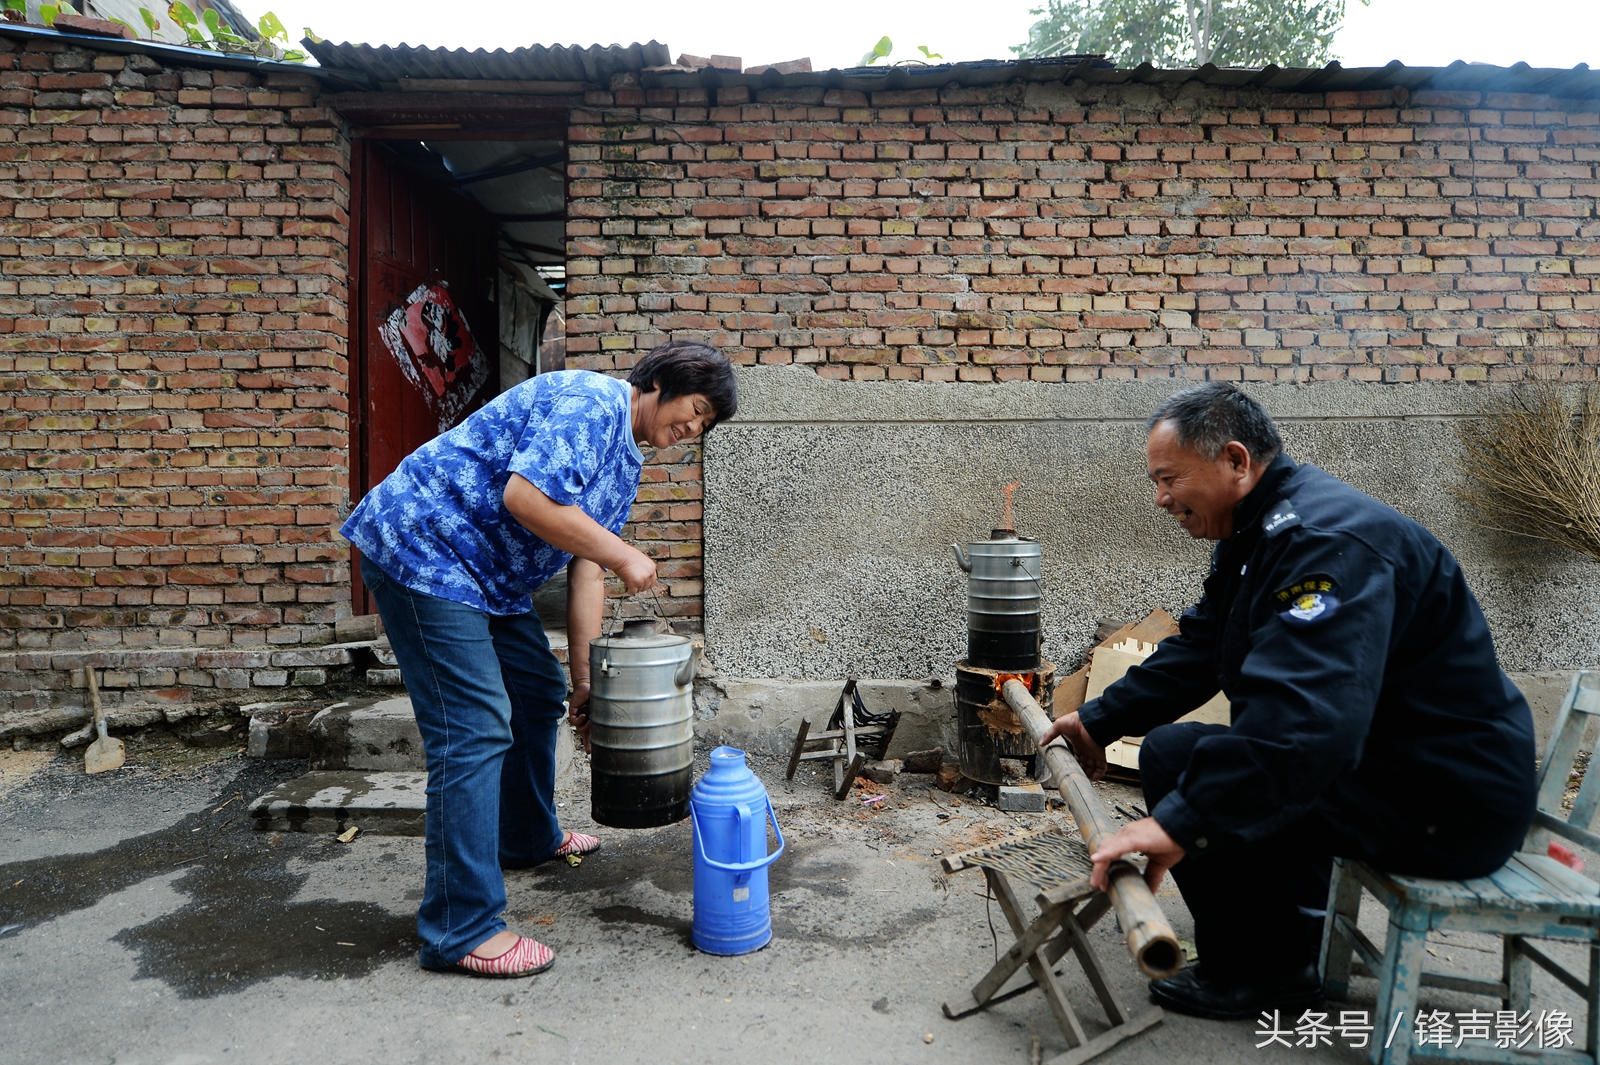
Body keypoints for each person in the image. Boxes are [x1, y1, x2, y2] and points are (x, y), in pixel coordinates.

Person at [1043, 382, 1537, 1020]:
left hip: (1443, 801)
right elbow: (1202, 646)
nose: (1161, 499)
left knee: (1219, 783)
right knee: (1171, 752)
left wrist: (1181, 821)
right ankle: (1279, 943)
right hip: (1378, 774)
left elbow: (1308, 722)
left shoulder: (1327, 544)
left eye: (1169, 480)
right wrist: (1098, 721)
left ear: (1236, 461)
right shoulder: (1258, 537)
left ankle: (1271, 970)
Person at [340, 339, 737, 978]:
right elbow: (526, 499)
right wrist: (625, 554)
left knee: (536, 692)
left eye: (703, 426)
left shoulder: (626, 459)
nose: (690, 429)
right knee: (473, 729)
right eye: (692, 410)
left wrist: (585, 683)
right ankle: (459, 928)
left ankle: (525, 837)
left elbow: (586, 568)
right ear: (658, 384)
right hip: (426, 550)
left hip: (489, 581)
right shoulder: (591, 402)